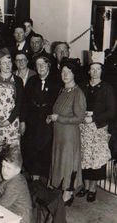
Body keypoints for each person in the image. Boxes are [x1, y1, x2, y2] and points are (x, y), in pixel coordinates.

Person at [48, 59, 86, 206]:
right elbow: (59, 109)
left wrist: (60, 118)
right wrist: (52, 118)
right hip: (59, 134)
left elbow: (79, 118)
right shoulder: (62, 90)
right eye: (63, 72)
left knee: (68, 163)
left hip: (69, 135)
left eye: (68, 72)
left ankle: (68, 193)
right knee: (60, 162)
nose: (65, 75)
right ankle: (62, 188)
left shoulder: (78, 93)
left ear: (74, 74)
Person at [77, 59, 115, 202]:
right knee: (84, 157)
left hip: (98, 128)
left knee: (95, 159)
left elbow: (111, 111)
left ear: (101, 71)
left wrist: (93, 119)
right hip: (82, 127)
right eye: (92, 69)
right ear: (88, 71)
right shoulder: (82, 87)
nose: (94, 72)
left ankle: (93, 188)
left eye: (97, 69)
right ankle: (86, 186)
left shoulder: (107, 88)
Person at [22, 55, 61, 179]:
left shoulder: (56, 81)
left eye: (43, 64)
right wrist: (23, 120)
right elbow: (25, 102)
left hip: (48, 120)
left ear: (48, 65)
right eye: (38, 65)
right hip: (33, 119)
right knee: (32, 148)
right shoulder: (32, 81)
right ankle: (35, 178)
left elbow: (59, 102)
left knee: (46, 148)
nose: (41, 67)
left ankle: (47, 180)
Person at [0, 48, 25, 148]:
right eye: (4, 63)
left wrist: (9, 120)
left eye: (9, 62)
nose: (7, 65)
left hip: (11, 122)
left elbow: (20, 103)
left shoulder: (18, 80)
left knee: (12, 154)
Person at [0, 146, 33, 223]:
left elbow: (2, 204)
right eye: (3, 166)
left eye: (8, 168)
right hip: (10, 211)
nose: (4, 170)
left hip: (19, 218)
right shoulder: (11, 177)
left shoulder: (15, 184)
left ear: (18, 169)